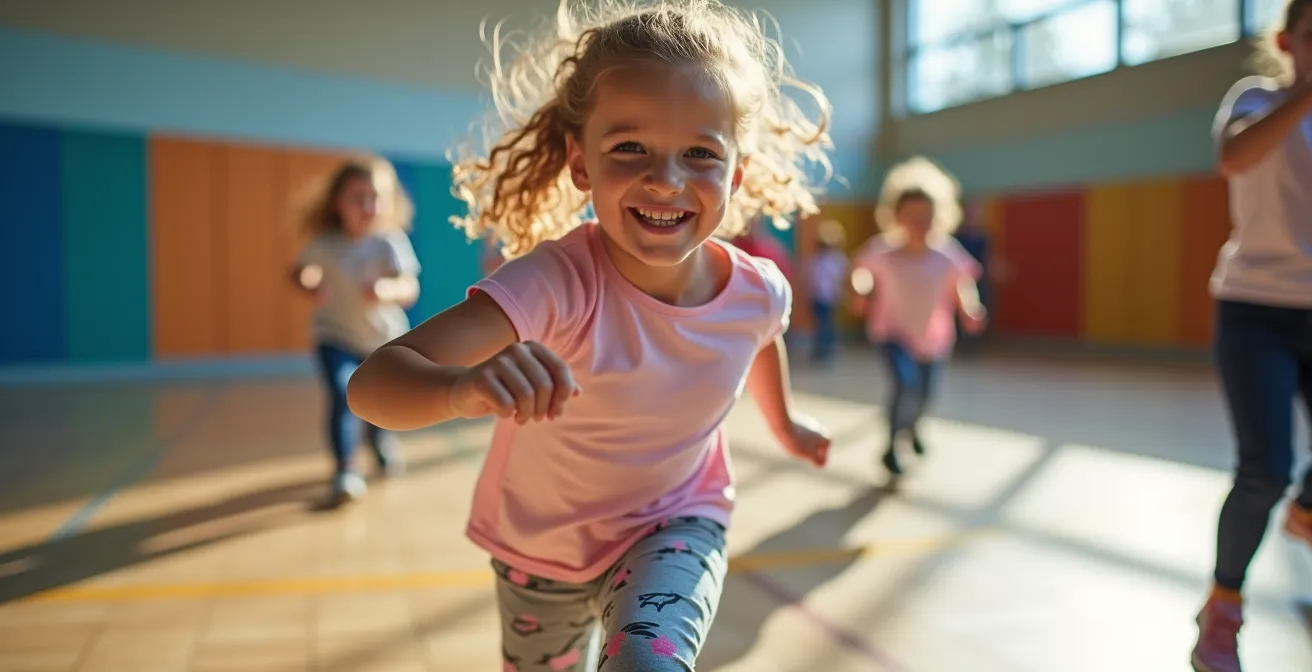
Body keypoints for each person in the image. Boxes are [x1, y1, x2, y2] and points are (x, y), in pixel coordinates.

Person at [345, 1, 833, 669]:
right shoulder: (553, 283)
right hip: (538, 554)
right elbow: (374, 384)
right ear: (581, 163)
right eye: (630, 147)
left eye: (699, 153)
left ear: (735, 174)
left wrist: (785, 424)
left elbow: (761, 340)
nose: (666, 179)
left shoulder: (757, 290)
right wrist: (459, 389)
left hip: (677, 523)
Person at [1193, 2, 1312, 670]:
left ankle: (1309, 510)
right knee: (1263, 469)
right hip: (1255, 307)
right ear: (1286, 40)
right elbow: (1235, 157)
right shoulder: (1257, 98)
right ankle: (1222, 609)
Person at [290, 157, 421, 504]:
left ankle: (379, 441)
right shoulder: (326, 243)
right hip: (334, 334)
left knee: (378, 401)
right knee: (342, 392)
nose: (368, 206)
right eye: (357, 197)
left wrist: (385, 291)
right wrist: (310, 283)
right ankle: (346, 468)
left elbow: (409, 287)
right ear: (338, 203)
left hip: (381, 340)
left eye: (375, 197)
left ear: (388, 201)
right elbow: (300, 270)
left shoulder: (389, 242)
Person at [849, 157, 986, 476]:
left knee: (924, 394)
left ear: (939, 216)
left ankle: (913, 427)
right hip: (892, 332)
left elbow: (963, 284)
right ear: (896, 216)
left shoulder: (946, 253)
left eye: (926, 217)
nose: (919, 224)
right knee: (904, 385)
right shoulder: (882, 250)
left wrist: (969, 308)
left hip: (934, 337)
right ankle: (892, 446)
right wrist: (861, 292)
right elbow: (863, 273)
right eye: (911, 216)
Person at [807, 219, 849, 364]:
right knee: (821, 324)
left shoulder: (837, 259)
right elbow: (813, 278)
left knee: (827, 324)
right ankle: (821, 349)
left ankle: (826, 350)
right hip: (818, 297)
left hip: (830, 298)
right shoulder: (817, 259)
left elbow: (841, 278)